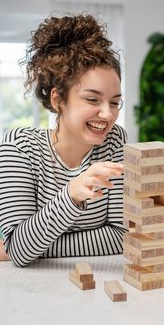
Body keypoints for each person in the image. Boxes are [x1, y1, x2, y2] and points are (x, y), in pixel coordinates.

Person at [0, 14, 127, 267]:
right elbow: (19, 249)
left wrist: (34, 246)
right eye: (92, 99)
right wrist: (70, 196)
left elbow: (122, 236)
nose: (108, 114)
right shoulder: (19, 149)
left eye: (114, 102)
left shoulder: (115, 142)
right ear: (58, 99)